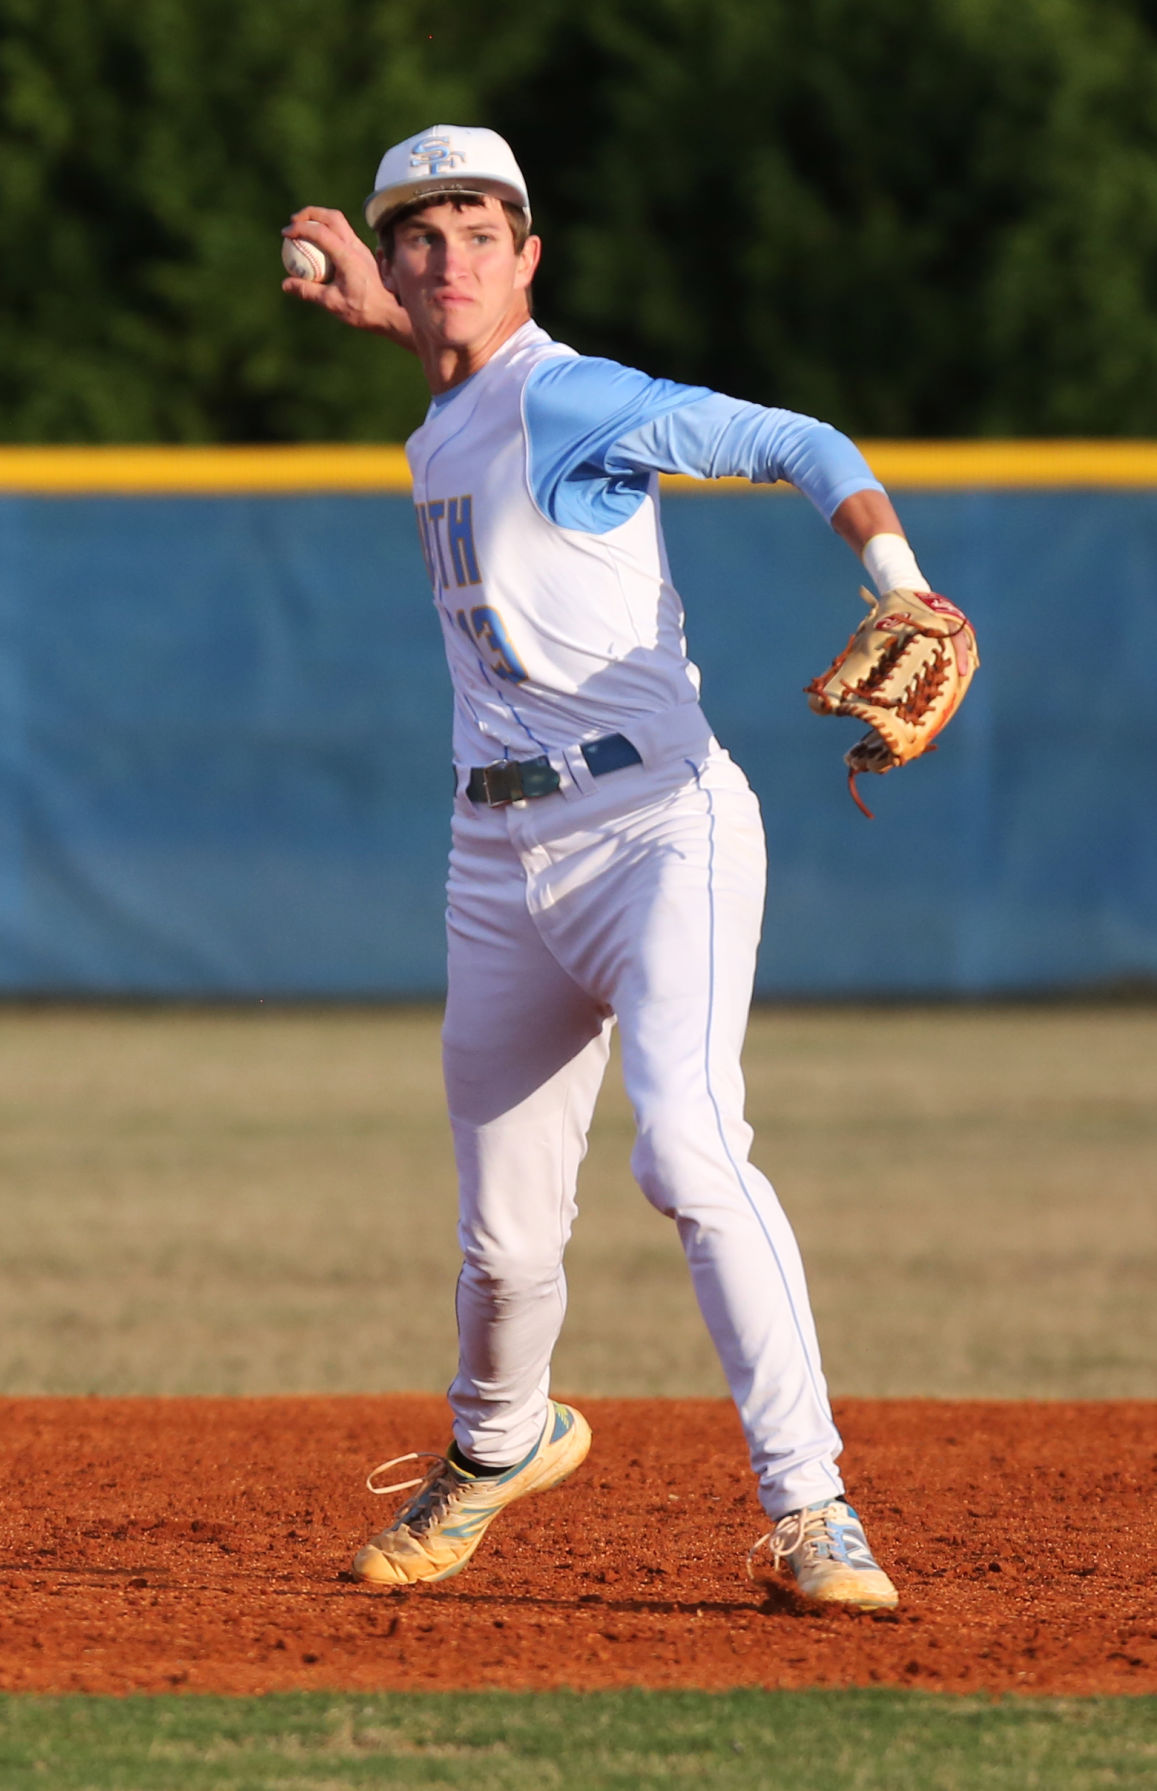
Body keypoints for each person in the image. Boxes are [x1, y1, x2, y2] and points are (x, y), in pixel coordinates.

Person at [284, 125, 928, 1610]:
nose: (449, 256)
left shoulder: (569, 395)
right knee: (503, 1243)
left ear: (528, 254)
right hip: (493, 852)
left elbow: (795, 444)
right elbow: (464, 380)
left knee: (688, 1153)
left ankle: (812, 1509)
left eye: (478, 230)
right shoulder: (448, 412)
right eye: (419, 236)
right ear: (394, 265)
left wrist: (894, 573)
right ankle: (497, 1446)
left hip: (656, 829)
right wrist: (401, 323)